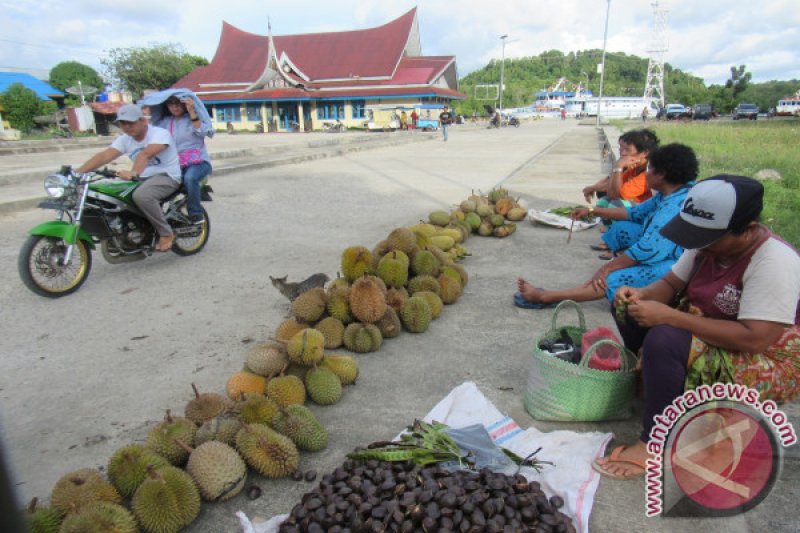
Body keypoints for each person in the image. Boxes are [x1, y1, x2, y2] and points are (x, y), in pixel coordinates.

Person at [593, 175, 800, 479]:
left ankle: (657, 444)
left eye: (708, 237)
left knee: (664, 338)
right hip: (714, 329)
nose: (698, 243)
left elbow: (756, 338)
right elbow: (669, 284)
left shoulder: (775, 261)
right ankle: (660, 388)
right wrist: (641, 295)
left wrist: (670, 317)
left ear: (748, 230)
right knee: (628, 309)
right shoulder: (705, 243)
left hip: (768, 356)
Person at [515, 143, 699, 309]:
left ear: (662, 175)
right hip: (665, 250)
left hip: (676, 263)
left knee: (613, 279)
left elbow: (646, 249)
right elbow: (633, 214)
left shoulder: (674, 207)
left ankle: (546, 296)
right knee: (622, 229)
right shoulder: (670, 193)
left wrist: (607, 268)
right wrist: (591, 211)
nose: (647, 174)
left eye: (650, 170)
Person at [75, 104, 181, 252]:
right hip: (141, 177)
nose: (126, 126)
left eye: (130, 122)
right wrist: (78, 172)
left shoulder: (160, 134)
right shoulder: (125, 139)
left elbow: (145, 154)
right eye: (122, 123)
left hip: (166, 176)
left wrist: (133, 173)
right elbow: (106, 155)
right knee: (109, 194)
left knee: (142, 196)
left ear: (143, 121)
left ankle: (166, 233)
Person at [139, 89, 214, 224]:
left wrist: (192, 112)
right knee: (146, 181)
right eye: (170, 104)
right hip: (174, 165)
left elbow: (202, 132)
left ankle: (196, 214)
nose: (174, 107)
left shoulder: (191, 120)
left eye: (178, 103)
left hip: (198, 163)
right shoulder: (164, 122)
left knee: (190, 178)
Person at [583, 129, 659, 258]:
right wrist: (593, 187)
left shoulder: (648, 172)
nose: (622, 153)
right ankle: (612, 239)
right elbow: (611, 185)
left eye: (627, 150)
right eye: (620, 148)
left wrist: (617, 167)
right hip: (634, 206)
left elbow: (618, 194)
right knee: (603, 202)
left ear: (644, 153)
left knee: (615, 204)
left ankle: (620, 246)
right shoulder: (634, 167)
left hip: (648, 215)